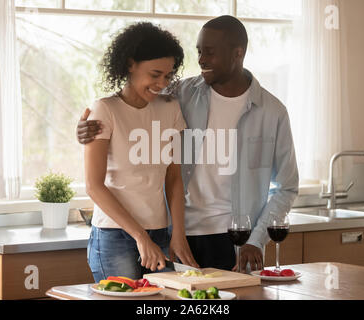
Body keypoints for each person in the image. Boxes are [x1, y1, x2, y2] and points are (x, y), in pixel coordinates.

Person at [78, 16, 299, 273]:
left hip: (236, 239)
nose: (202, 59)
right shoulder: (180, 94)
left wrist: (257, 240)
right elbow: (129, 103)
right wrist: (87, 129)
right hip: (175, 234)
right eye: (199, 51)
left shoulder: (272, 112)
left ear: (238, 53)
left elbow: (287, 186)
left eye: (210, 52)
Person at [84, 22, 198, 282]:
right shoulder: (104, 109)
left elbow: (174, 177)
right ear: (130, 64)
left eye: (168, 76)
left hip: (160, 232)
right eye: (155, 74)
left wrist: (177, 234)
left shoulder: (170, 108)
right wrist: (140, 237)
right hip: (116, 236)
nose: (162, 83)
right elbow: (94, 186)